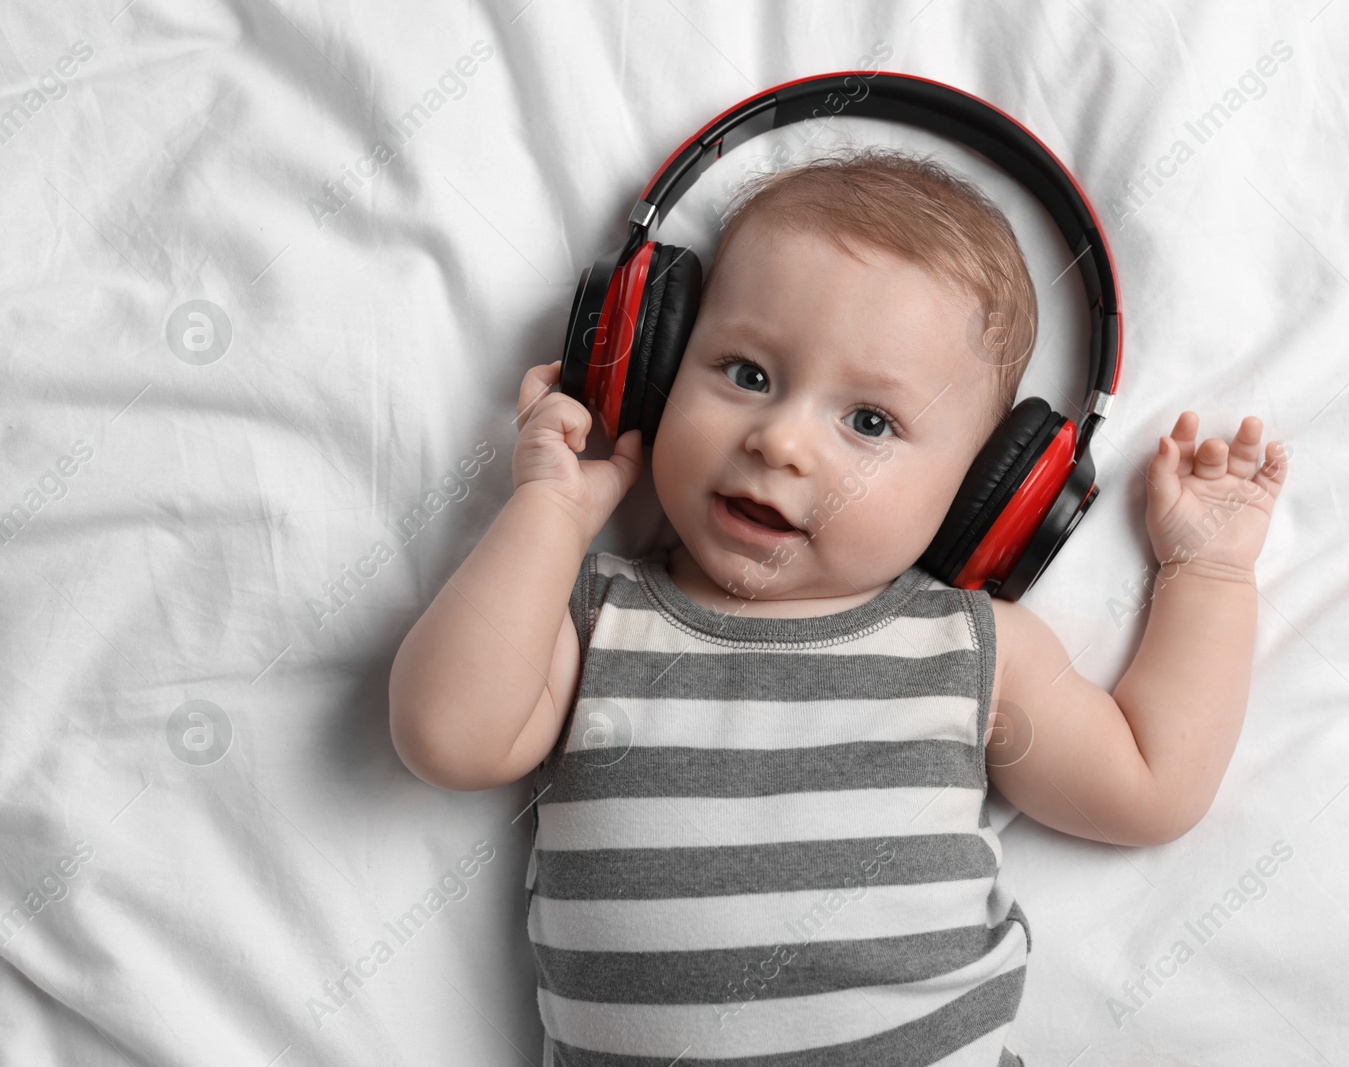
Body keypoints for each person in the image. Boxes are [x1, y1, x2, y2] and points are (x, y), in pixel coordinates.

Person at [388, 147, 1289, 1064]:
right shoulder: (591, 616)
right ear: (654, 375)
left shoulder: (971, 648)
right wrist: (548, 513)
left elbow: (1151, 785)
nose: (779, 439)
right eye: (746, 372)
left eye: (869, 422)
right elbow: (448, 736)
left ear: (981, 491)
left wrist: (1208, 575)